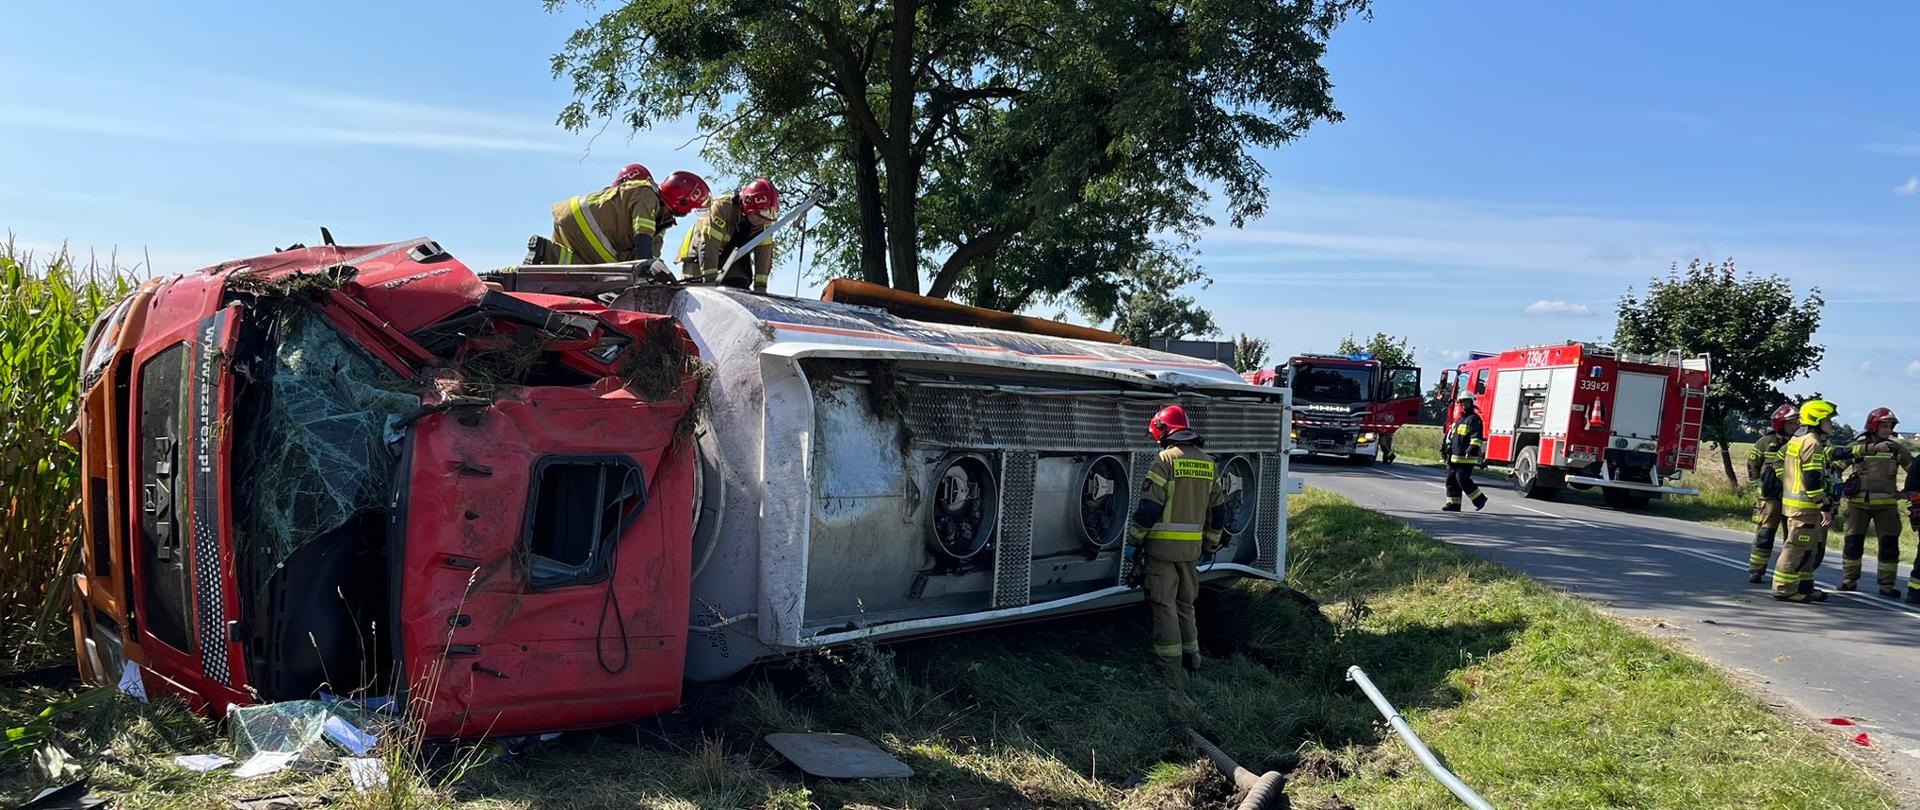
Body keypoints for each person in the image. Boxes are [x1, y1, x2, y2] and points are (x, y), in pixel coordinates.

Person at [1124, 405, 1228, 674]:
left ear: (1163, 431)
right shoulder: (1208, 463)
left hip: (1161, 550)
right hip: (1192, 551)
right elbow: (1219, 513)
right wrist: (1211, 546)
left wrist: (1134, 542)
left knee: (1164, 603)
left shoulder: (1165, 461)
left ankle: (1168, 668)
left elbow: (1148, 509)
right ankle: (1192, 660)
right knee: (1185, 604)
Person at [529, 167, 711, 269]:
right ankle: (547, 256)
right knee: (615, 272)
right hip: (583, 223)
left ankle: (546, 254)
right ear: (683, 201)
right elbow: (643, 237)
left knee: (583, 270)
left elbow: (652, 254)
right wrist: (646, 268)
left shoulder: (661, 219)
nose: (688, 214)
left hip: (573, 219)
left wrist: (658, 271)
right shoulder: (647, 194)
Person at [1838, 408, 1913, 596]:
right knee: (1853, 543)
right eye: (1884, 425)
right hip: (1857, 505)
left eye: (1890, 426)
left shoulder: (1897, 449)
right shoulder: (1858, 446)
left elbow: (1914, 470)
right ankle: (1849, 580)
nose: (1888, 430)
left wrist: (1907, 493)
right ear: (1873, 426)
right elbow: (1836, 466)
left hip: (1887, 506)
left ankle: (1887, 585)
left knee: (1889, 545)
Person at [1775, 399, 1840, 603]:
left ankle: (1804, 586)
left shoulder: (1798, 438)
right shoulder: (1812, 443)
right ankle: (1784, 588)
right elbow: (1812, 481)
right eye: (1828, 419)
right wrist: (1825, 507)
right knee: (1796, 548)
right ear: (1817, 420)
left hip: (1797, 506)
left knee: (1807, 550)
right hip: (1805, 507)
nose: (1831, 423)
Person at [679, 178, 780, 292]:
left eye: (768, 216)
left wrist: (760, 288)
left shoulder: (764, 222)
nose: (762, 221)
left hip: (732, 259)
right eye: (760, 214)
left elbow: (764, 255)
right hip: (698, 256)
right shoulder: (721, 208)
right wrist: (710, 282)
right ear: (748, 204)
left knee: (739, 288)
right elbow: (708, 245)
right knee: (699, 292)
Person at [1745, 403, 1797, 583]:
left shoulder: (1801, 442)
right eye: (1790, 423)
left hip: (1793, 498)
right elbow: (1753, 464)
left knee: (1791, 537)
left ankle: (1786, 571)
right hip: (1770, 499)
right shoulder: (1766, 442)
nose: (1795, 426)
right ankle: (1757, 570)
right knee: (1765, 534)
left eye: (1796, 423)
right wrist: (1757, 486)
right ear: (1780, 424)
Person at [1442, 391, 1488, 512]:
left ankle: (1480, 499)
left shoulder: (1474, 419)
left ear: (1472, 403)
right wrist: (1445, 447)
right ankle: (1453, 504)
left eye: (1467, 402)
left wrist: (1472, 448)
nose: (1464, 405)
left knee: (1462, 480)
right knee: (1451, 480)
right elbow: (1452, 435)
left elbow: (1476, 437)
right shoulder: (1460, 419)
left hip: (1467, 457)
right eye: (1462, 402)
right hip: (1454, 456)